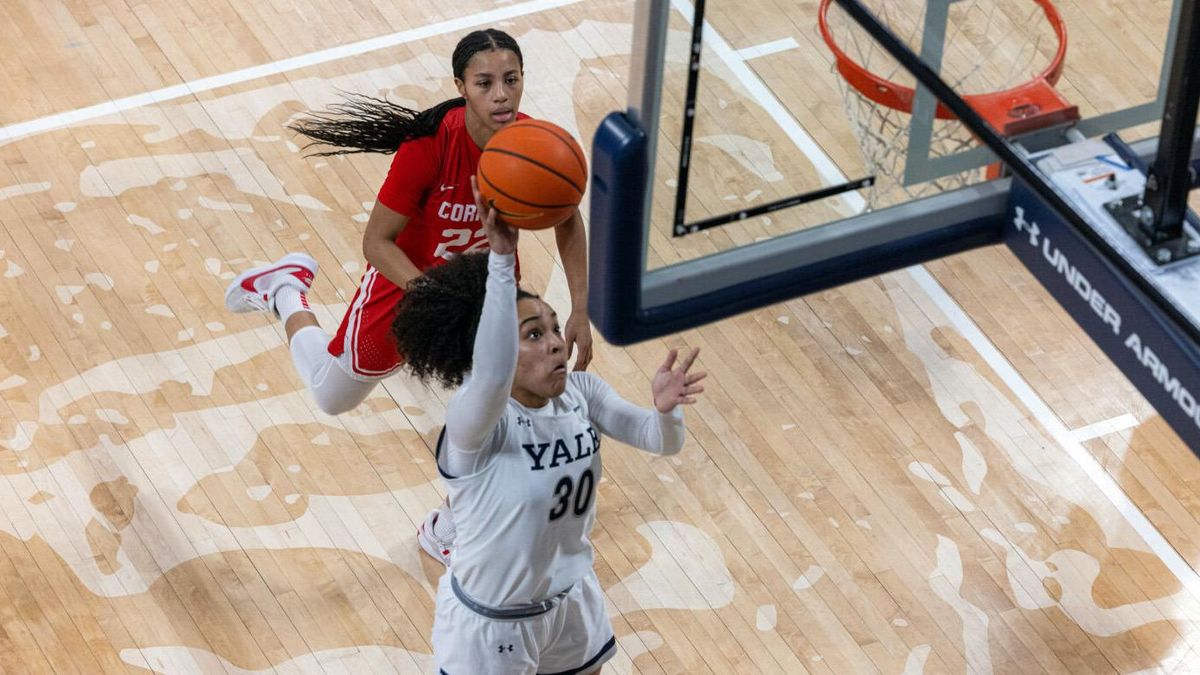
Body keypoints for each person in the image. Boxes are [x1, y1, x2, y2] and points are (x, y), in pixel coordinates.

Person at [222, 29, 594, 566]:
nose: (501, 96)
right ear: (461, 87)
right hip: (410, 284)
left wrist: (579, 308)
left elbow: (567, 220)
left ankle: (447, 527)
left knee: (505, 405)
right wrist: (435, 297)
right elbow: (376, 243)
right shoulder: (428, 150)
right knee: (332, 397)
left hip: (487, 291)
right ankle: (283, 290)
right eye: (485, 83)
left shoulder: (536, 147)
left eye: (510, 81)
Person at [394, 178, 705, 674]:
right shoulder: (479, 425)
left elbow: (660, 442)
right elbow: (492, 370)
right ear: (496, 353)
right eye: (534, 335)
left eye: (555, 328)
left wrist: (667, 411)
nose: (557, 343)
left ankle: (447, 530)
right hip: (491, 625)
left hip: (570, 600)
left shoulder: (582, 394)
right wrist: (500, 258)